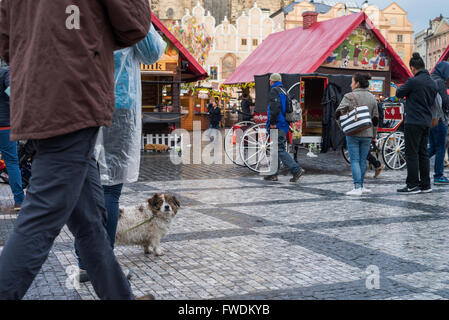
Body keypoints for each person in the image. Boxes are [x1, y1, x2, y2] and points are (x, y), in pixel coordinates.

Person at [0, 0, 152, 300]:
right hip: (73, 93)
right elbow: (134, 23)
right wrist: (84, 39)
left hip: (36, 95)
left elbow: (6, 39)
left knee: (90, 222)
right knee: (42, 216)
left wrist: (41, 51)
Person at [75, 24, 166, 283]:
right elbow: (152, 51)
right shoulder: (125, 7)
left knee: (86, 184)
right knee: (110, 190)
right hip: (119, 103)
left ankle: (85, 262)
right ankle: (102, 264)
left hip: (82, 100)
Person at [396, 53, 438, 194]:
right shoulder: (432, 82)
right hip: (426, 121)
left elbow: (399, 93)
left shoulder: (414, 81)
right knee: (423, 153)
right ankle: (426, 184)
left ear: (413, 68)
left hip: (413, 121)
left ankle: (413, 184)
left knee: (411, 153)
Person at [336, 73, 379, 196]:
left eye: (352, 82)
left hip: (353, 133)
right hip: (367, 133)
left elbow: (337, 113)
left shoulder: (349, 96)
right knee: (362, 159)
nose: (351, 84)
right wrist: (374, 135)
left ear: (358, 83)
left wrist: (344, 127)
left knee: (354, 160)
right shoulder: (372, 97)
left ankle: (357, 187)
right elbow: (376, 118)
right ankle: (361, 185)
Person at [264, 73, 305, 183]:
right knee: (275, 149)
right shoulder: (284, 91)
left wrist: (272, 123)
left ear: (272, 81)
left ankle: (296, 170)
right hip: (284, 124)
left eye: (270, 81)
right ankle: (273, 173)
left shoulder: (274, 91)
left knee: (279, 149)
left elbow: (274, 108)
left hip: (277, 124)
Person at [0, 67, 24, 211]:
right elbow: (13, 93)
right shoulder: (4, 73)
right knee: (11, 162)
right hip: (4, 126)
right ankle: (19, 200)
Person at [428, 61, 449, 185]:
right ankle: (438, 175)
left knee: (434, 147)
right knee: (441, 147)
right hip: (440, 118)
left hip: (430, 119)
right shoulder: (440, 82)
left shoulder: (430, 79)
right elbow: (445, 102)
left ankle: (419, 163)